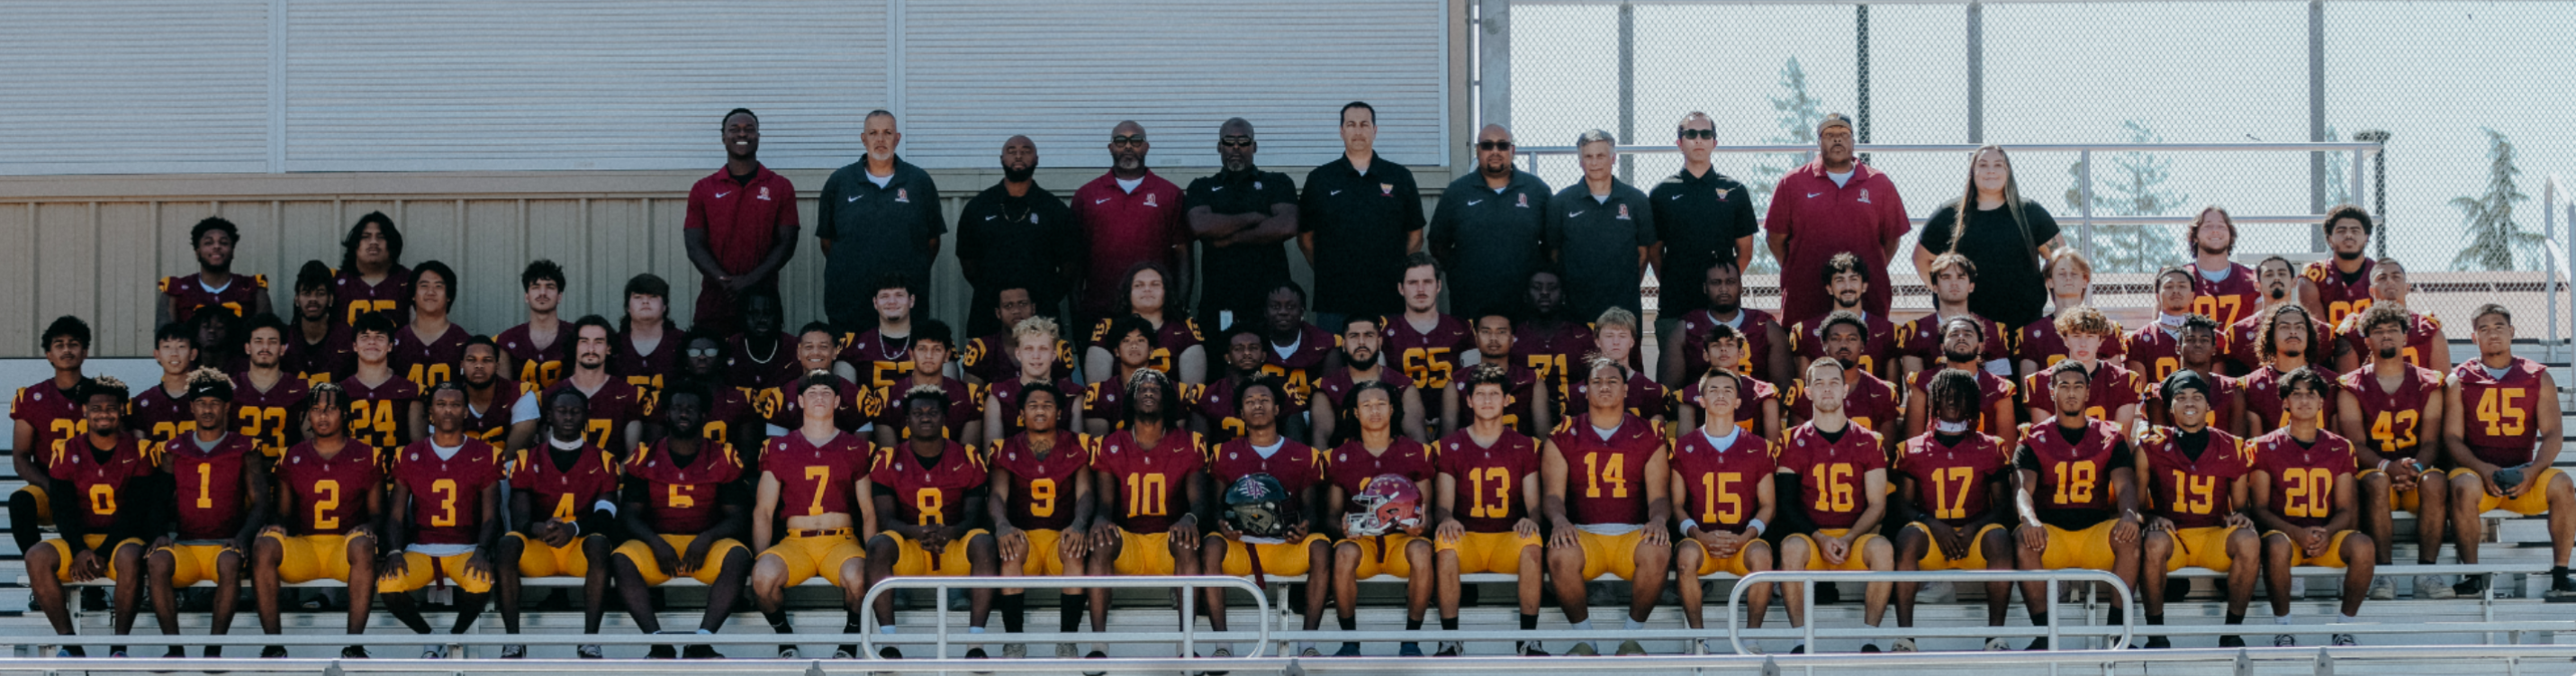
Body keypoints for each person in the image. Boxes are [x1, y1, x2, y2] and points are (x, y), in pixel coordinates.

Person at [2442, 303, 2576, 599]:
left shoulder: (2537, 375)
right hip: (2478, 474)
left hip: (2522, 476)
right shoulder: (2458, 379)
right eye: (2484, 329)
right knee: (2462, 485)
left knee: (2563, 484)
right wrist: (2482, 468)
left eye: (2499, 326)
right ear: (2473, 337)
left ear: (2512, 331)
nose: (2492, 334)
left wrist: (2533, 471)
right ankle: (2473, 576)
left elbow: (2553, 435)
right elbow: (2451, 438)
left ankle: (2561, 574)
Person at [1541, 357, 1672, 656]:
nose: (1604, 387)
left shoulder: (1649, 434)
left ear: (1626, 390)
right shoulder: (1563, 434)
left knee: (1658, 548)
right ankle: (1586, 639)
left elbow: (1659, 496)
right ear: (1584, 390)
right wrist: (1559, 520)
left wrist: (1659, 520)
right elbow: (1552, 495)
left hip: (1632, 534)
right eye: (1596, 381)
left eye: (1612, 381)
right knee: (1560, 552)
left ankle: (1630, 637)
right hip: (1585, 534)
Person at [610, 381, 752, 658]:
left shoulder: (722, 456)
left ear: (703, 415)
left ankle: (701, 640)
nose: (683, 413)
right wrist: (655, 542)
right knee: (621, 559)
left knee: (738, 556)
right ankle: (658, 642)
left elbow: (738, 517)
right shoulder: (646, 455)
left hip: (705, 546)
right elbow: (629, 514)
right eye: (676, 408)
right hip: (659, 545)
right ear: (667, 414)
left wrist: (707, 538)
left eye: (691, 408)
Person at [2011, 360, 2144, 650]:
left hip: (2094, 533)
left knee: (2130, 536)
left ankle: (2115, 632)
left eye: (2078, 386)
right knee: (2023, 538)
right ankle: (2044, 634)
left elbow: (2125, 485)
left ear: (2088, 393)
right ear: (2051, 392)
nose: (2071, 393)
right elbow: (2022, 488)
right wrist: (2029, 518)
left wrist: (2130, 515)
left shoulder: (2110, 435)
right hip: (2052, 534)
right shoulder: (2033, 437)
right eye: (2064, 386)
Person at [24, 377, 159, 656]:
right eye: (96, 407)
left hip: (121, 538)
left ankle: (119, 647)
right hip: (82, 538)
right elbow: (63, 508)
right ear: (84, 410)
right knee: (36, 556)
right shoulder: (66, 450)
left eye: (111, 408)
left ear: (122, 410)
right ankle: (71, 646)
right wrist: (79, 549)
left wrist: (102, 552)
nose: (103, 413)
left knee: (131, 556)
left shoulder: (140, 449)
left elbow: (136, 510)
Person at [1198, 376, 1331, 660]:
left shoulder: (1305, 454)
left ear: (1277, 408)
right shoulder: (1223, 453)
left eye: (1264, 400)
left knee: (1320, 546)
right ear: (1240, 412)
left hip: (1286, 544)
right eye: (1249, 402)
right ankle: (1223, 645)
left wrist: (1304, 526)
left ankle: (1308, 643)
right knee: (1211, 545)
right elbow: (1217, 507)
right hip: (1242, 544)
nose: (1257, 405)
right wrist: (1222, 524)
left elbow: (1310, 508)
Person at [749, 371, 879, 660]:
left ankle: (849, 641)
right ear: (799, 401)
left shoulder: (856, 447)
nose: (818, 398)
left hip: (840, 542)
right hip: (796, 543)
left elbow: (868, 510)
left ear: (836, 401)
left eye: (825, 393)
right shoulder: (779, 448)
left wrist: (873, 553)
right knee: (763, 578)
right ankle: (785, 639)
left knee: (860, 578)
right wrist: (760, 556)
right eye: (812, 393)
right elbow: (764, 511)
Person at [865, 386, 1002, 661]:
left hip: (952, 548)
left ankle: (975, 642)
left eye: (932, 412)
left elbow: (973, 516)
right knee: (879, 544)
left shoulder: (968, 457)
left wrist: (950, 532)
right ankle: (889, 642)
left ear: (945, 418)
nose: (925, 417)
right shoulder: (888, 459)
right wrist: (918, 532)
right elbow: (887, 518)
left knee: (984, 541)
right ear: (906, 420)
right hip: (912, 549)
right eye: (917, 413)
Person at [1080, 368, 1208, 660]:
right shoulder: (1110, 444)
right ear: (1131, 400)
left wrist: (1190, 518)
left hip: (1169, 541)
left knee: (1187, 538)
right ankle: (1098, 645)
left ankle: (1184, 643)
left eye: (1156, 388)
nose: (1149, 392)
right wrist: (1100, 519)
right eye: (1142, 389)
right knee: (1100, 539)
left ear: (1166, 401)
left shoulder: (1189, 443)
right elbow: (1104, 504)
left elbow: (1199, 502)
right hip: (1130, 542)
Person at [1773, 357, 1895, 654]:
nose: (1827, 389)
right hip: (1812, 537)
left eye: (1833, 383)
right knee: (1790, 548)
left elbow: (1877, 504)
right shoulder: (1791, 440)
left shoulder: (1869, 440)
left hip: (1854, 536)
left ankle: (1869, 639)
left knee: (1882, 549)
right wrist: (1821, 538)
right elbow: (1787, 505)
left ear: (1846, 390)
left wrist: (1849, 538)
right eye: (1819, 383)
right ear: (1808, 393)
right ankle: (1800, 640)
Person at [375, 383, 506, 657]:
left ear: (466, 411)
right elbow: (395, 515)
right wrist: (395, 550)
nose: (448, 410)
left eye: (456, 404)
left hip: (465, 547)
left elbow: (491, 515)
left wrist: (482, 551)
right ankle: (430, 638)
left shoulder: (485, 454)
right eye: (442, 404)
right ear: (431, 412)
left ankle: (454, 637)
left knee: (480, 582)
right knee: (388, 583)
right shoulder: (408, 455)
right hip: (421, 547)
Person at [1889, 370, 2016, 652]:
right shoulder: (1911, 448)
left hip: (1975, 537)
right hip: (1932, 538)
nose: (1952, 400)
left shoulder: (1991, 446)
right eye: (1945, 394)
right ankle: (1905, 637)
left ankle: (1996, 636)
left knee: (1999, 538)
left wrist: (1972, 528)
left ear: (1973, 402)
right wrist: (1933, 525)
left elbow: (2003, 505)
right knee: (1907, 538)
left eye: (1960, 395)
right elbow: (1903, 506)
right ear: (1933, 400)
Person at [251, 383, 379, 658]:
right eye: (316, 409)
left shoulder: (367, 455)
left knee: (364, 544)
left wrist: (369, 527)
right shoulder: (292, 456)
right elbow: (284, 514)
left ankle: (354, 646)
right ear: (308, 415)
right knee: (264, 544)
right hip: (305, 548)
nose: (323, 416)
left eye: (331, 409)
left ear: (344, 413)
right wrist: (278, 526)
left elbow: (378, 515)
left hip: (344, 550)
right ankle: (274, 645)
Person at [2336, 302, 2454, 601]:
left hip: (2415, 473)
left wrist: (2416, 468)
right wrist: (2388, 467)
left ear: (2405, 337)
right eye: (2378, 331)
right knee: (2375, 482)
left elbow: (2430, 441)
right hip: (2376, 471)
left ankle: (2426, 573)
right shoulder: (2351, 385)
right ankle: (2383, 573)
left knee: (2436, 481)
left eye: (2393, 330)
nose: (2386, 336)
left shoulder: (2428, 382)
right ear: (2367, 340)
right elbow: (2356, 444)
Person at [2134, 370, 2260, 649]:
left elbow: (2242, 507)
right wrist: (2152, 516)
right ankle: (2156, 634)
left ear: (2209, 406)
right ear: (2170, 407)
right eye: (2180, 397)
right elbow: (2137, 508)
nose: (2189, 402)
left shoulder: (2232, 446)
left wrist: (2240, 515)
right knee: (2152, 541)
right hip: (2173, 538)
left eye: (2197, 397)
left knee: (2248, 539)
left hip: (2213, 534)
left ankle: (2231, 632)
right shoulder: (2150, 446)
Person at [2248, 366, 2373, 647]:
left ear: (2321, 402)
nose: (2304, 400)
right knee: (2278, 546)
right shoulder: (2263, 446)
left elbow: (2345, 508)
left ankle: (2344, 627)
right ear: (2285, 402)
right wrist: (2296, 533)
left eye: (2311, 394)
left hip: (2324, 536)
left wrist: (2327, 532)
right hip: (2285, 536)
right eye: (2296, 394)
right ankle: (2283, 628)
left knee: (2363, 545)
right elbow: (2259, 508)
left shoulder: (2340, 447)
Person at [146, 369, 266, 657]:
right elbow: (159, 499)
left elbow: (261, 501)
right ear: (192, 407)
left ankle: (214, 648)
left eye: (214, 403)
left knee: (229, 563)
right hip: (187, 544)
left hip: (225, 543)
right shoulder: (174, 448)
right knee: (158, 561)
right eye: (201, 403)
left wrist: (243, 537)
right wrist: (160, 533)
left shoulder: (244, 448)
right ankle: (175, 649)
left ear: (226, 406)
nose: (208, 409)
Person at [496, 386, 620, 659]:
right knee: (507, 544)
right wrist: (539, 529)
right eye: (561, 411)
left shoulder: (603, 459)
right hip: (542, 549)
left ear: (586, 418)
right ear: (549, 417)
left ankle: (590, 640)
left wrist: (574, 529)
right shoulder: (527, 458)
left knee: (600, 543)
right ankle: (512, 640)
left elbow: (607, 514)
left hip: (579, 550)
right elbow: (520, 518)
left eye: (575, 412)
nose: (568, 416)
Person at [1668, 367, 1778, 656]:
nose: (1721, 395)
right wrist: (1698, 534)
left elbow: (1768, 504)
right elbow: (1676, 504)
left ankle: (1751, 638)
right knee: (1685, 555)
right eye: (1713, 390)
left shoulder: (1758, 446)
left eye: (1728, 390)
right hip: (1701, 540)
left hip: (1742, 541)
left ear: (1739, 402)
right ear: (1701, 400)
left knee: (1763, 555)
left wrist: (1745, 537)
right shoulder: (1684, 446)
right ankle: (1699, 638)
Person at [1322, 381, 1437, 657]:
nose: (1375, 411)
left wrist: (1421, 526)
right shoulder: (1339, 457)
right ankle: (1350, 642)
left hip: (1401, 542)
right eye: (1367, 405)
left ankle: (1411, 640)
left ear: (1393, 409)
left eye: (1381, 404)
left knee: (1423, 550)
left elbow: (1428, 515)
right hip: (1364, 544)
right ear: (1356, 413)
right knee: (1344, 553)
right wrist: (1343, 528)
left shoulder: (1417, 452)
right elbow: (1330, 517)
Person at [983, 380, 1094, 660]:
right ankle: (1014, 640)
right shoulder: (1006, 448)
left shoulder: (1077, 445)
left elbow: (1085, 494)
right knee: (1010, 549)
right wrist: (1002, 525)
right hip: (1026, 536)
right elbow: (996, 495)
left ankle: (1067, 640)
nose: (1040, 410)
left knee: (1075, 548)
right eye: (1033, 405)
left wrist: (1080, 523)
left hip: (1060, 535)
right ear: (1021, 413)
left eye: (1047, 405)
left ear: (1059, 412)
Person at [1765, 113, 1907, 324]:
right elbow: (1775, 238)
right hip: (1806, 298)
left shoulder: (1879, 183)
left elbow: (1892, 239)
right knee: (1804, 355)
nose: (1837, 139)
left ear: (1853, 141)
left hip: (1865, 300)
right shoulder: (1792, 182)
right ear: (1818, 142)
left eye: (1843, 133)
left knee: (1868, 355)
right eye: (1829, 134)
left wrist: (1866, 270)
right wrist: (1800, 269)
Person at [1301, 102, 1424, 328]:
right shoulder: (1320, 179)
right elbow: (1305, 238)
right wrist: (1328, 269)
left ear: (1375, 130)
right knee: (1335, 363)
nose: (1358, 131)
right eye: (1351, 124)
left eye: (1364, 124)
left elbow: (1415, 234)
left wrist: (1395, 269)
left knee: (1387, 362)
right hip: (1334, 301)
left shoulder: (1399, 176)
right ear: (1341, 131)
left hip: (1388, 300)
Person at [818, 110, 942, 332]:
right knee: (848, 365)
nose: (880, 139)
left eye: (887, 132)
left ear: (898, 138)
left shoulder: (919, 182)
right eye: (873, 133)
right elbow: (827, 243)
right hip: (850, 305)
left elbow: (932, 242)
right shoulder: (840, 182)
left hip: (905, 308)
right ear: (863, 139)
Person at [1912, 145, 2060, 329]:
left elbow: (2058, 259)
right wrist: (1946, 295)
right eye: (1983, 165)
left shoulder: (2031, 212)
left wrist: (2051, 297)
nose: (1991, 170)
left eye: (1998, 165)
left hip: (2023, 323)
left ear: (2008, 172)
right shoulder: (1948, 214)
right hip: (1966, 328)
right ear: (1973, 172)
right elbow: (1921, 259)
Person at [684, 108, 800, 337]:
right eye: (734, 129)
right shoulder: (703, 188)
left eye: (749, 129)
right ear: (723, 137)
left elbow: (787, 243)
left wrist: (749, 281)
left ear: (758, 136)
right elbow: (694, 244)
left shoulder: (780, 186)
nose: (742, 134)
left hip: (763, 300)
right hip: (716, 298)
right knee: (711, 361)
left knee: (762, 366)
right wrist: (723, 280)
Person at [1651, 113, 1761, 355]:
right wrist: (1675, 282)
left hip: (1723, 310)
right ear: (1679, 143)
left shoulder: (1735, 191)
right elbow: (1655, 253)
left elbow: (1745, 252)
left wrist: (1722, 286)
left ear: (1715, 142)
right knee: (1673, 385)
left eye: (1705, 134)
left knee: (1723, 382)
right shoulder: (1661, 193)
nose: (1698, 139)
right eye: (1691, 134)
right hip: (1675, 306)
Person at [1186, 118, 1302, 333]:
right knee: (1220, 363)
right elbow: (1200, 226)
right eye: (1229, 141)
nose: (1236, 147)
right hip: (1219, 299)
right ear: (1219, 146)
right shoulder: (1201, 186)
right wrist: (1254, 217)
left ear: (1254, 147)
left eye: (1244, 141)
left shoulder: (1277, 183)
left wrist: (1230, 238)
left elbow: (1287, 225)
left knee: (1269, 364)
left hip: (1270, 302)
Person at [956, 136, 1080, 338]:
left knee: (1042, 367)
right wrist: (993, 294)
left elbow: (1069, 265)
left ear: (1037, 159)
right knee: (985, 367)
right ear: (1002, 159)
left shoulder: (1054, 209)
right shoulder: (979, 207)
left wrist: (1045, 297)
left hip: (1041, 313)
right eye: (1012, 151)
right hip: (989, 313)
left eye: (1026, 150)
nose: (1019, 155)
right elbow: (967, 261)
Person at [1428, 123, 1551, 321]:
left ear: (1513, 150)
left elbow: (1551, 245)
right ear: (1478, 150)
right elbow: (1437, 243)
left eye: (1502, 145)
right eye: (1487, 145)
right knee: (1471, 354)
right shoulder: (1457, 192)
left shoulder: (1537, 191)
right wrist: (1460, 273)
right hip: (1470, 305)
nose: (1495, 151)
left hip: (1526, 307)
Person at [1073, 121, 1189, 329]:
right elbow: (1075, 259)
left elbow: (1182, 254)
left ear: (1146, 147)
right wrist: (1076, 308)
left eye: (1136, 141)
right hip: (1100, 310)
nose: (1128, 146)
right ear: (1111, 148)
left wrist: (1178, 304)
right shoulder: (1087, 195)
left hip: (1155, 312)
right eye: (1120, 140)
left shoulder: (1169, 194)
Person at [1546, 129, 1657, 321]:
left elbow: (1643, 255)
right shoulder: (1561, 202)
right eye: (1588, 156)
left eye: (1601, 156)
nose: (1595, 162)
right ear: (1581, 161)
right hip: (1575, 313)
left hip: (1624, 312)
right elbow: (1554, 253)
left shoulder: (1636, 200)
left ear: (1613, 158)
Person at [520, 316, 650, 453]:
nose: (591, 349)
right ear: (574, 346)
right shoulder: (549, 396)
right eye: (584, 341)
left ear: (609, 348)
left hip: (613, 473)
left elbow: (632, 457)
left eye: (598, 342)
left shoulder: (629, 394)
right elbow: (546, 455)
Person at [2018, 306, 2142, 442]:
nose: (2083, 344)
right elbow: (2046, 442)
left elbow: (2120, 441)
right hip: (2058, 458)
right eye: (2076, 336)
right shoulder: (2041, 382)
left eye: (2090, 336)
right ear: (2065, 339)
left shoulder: (2123, 380)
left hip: (2109, 458)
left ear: (2100, 340)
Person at [1665, 260, 1790, 389]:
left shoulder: (1767, 327)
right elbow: (1670, 388)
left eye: (1730, 282)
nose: (1723, 289)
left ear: (1741, 286)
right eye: (1716, 283)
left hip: (1755, 406)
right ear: (1705, 288)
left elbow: (1783, 385)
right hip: (1701, 406)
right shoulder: (1685, 329)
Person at [1901, 316, 2020, 449]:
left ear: (1981, 346)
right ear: (1942, 346)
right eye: (1954, 334)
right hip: (1934, 463)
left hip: (1985, 464)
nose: (1961, 337)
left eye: (1968, 334)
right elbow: (1913, 444)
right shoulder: (1921, 383)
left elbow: (2007, 450)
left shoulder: (2001, 388)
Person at [1311, 315, 1428, 446]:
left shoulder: (1403, 386)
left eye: (1369, 335)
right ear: (1343, 344)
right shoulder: (1326, 388)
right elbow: (1321, 441)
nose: (1361, 342)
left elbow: (1417, 438)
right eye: (1354, 336)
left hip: (1394, 462)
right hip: (1344, 464)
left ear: (1379, 343)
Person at [1785, 311, 1901, 442]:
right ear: (1824, 345)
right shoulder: (1804, 393)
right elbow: (1797, 448)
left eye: (1851, 339)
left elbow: (1886, 453)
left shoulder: (1883, 392)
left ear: (1863, 344)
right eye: (1835, 339)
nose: (1844, 345)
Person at [1084, 262, 1207, 384]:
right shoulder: (1108, 327)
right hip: (1120, 402)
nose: (1147, 289)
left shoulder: (1183, 329)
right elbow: (1098, 392)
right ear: (1128, 292)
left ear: (1166, 291)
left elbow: (1193, 394)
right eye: (1138, 285)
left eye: (1155, 284)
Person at [1895, 254, 2011, 383]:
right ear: (1935, 286)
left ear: (1971, 286)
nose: (1954, 283)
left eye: (1961, 277)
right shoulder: (1915, 330)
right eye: (1946, 277)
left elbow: (1998, 388)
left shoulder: (1993, 330)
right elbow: (1915, 386)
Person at [2015, 249, 2126, 376]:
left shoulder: (2106, 328)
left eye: (2074, 274)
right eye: (2062, 274)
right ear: (2050, 282)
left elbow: (2115, 383)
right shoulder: (2032, 332)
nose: (2068, 278)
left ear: (2085, 281)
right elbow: (2029, 392)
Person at [871, 320, 981, 448]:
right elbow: (888, 459)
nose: (929, 356)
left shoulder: (970, 395)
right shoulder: (886, 397)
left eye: (937, 349)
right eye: (922, 349)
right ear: (911, 354)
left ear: (947, 355)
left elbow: (968, 458)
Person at [1442, 311, 1551, 438]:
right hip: (1470, 456)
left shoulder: (1532, 381)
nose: (1493, 338)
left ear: (1512, 339)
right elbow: (1447, 442)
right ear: (1476, 339)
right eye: (1486, 331)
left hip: (1522, 455)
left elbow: (1544, 437)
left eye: (1501, 332)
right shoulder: (1456, 381)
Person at [1789, 253, 1896, 380]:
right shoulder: (1805, 331)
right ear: (1829, 288)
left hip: (1870, 400)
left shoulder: (1887, 331)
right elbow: (1804, 390)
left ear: (1864, 286)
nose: (1847, 286)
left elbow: (1893, 394)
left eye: (1853, 279)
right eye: (1840, 280)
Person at [2332, 258, 2449, 375]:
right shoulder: (2354, 327)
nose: (2390, 281)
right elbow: (2348, 383)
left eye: (2396, 277)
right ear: (2371, 291)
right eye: (2382, 278)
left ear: (2407, 287)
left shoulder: (2426, 327)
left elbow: (2442, 381)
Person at [986, 317, 1090, 440]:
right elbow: (992, 454)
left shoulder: (1073, 395)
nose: (1036, 356)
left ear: (1054, 355)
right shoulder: (997, 396)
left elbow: (1078, 451)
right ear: (1018, 354)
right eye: (1029, 349)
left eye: (1043, 349)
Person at [2142, 315, 2246, 435]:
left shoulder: (2233, 390)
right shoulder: (2158, 393)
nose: (2197, 344)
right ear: (2178, 348)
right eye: (2190, 339)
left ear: (2214, 349)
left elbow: (2236, 444)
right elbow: (2161, 447)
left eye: (2204, 340)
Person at [1384, 252, 1472, 395]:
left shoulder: (1463, 328)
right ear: (1401, 288)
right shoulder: (1384, 330)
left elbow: (1473, 384)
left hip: (1454, 412)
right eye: (1412, 283)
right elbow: (1379, 388)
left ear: (1438, 286)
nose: (1420, 289)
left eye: (1427, 282)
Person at [1674, 323, 1779, 440]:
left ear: (1741, 353)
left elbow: (1773, 449)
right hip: (1705, 457)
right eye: (1715, 345)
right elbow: (1685, 448)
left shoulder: (1763, 392)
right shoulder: (1690, 393)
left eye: (1730, 344)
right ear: (1706, 355)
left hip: (1753, 456)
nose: (1723, 349)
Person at [1566, 308, 1668, 428]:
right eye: (1609, 336)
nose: (1616, 342)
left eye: (1622, 336)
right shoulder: (1575, 393)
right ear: (1597, 341)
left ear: (1632, 341)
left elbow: (1654, 440)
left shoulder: (1652, 391)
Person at [160, 216, 272, 326]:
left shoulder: (253, 288)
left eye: (223, 242)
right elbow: (164, 338)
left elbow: (266, 337)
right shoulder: (175, 289)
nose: (217, 246)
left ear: (232, 251)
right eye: (208, 243)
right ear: (197, 252)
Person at [2238, 303, 2331, 436]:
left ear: (2308, 335)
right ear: (2271, 336)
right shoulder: (2249, 385)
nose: (2293, 332)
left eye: (2300, 327)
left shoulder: (2332, 382)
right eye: (2284, 327)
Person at [2224, 256, 2323, 375]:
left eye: (2282, 274)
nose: (2276, 278)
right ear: (2257, 285)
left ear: (2294, 281)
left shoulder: (2320, 329)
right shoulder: (2237, 332)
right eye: (2269, 275)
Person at [962, 286, 1077, 386]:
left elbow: (1067, 399)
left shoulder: (1056, 346)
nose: (1016, 311)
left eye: (1023, 304)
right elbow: (971, 401)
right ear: (998, 313)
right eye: (1008, 305)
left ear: (1033, 308)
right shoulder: (982, 348)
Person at [232, 313, 312, 457]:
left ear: (282, 349)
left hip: (287, 471)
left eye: (272, 341)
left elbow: (313, 440)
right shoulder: (229, 387)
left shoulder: (300, 388)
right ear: (247, 348)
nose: (265, 347)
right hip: (240, 472)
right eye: (258, 341)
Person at [342, 311, 424, 450]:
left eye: (380, 337)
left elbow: (419, 447)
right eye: (365, 336)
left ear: (390, 345)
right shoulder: (337, 392)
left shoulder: (411, 392)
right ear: (354, 345)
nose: (372, 342)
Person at [1515, 268, 1594, 409]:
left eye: (1552, 288)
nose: (1545, 293)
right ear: (1526, 296)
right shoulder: (1512, 337)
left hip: (1574, 418)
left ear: (1563, 296)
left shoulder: (1583, 337)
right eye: (1537, 288)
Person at [671, 329, 758, 451]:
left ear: (721, 358)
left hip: (727, 468)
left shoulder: (740, 399)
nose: (702, 357)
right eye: (694, 352)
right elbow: (658, 450)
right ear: (685, 358)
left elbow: (748, 452)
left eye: (710, 352)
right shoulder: (671, 397)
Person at [390, 260, 468, 389]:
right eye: (424, 286)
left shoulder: (464, 342)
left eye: (438, 286)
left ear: (449, 295)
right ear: (413, 294)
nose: (430, 292)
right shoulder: (395, 342)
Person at [2300, 205, 2379, 329]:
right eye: (2341, 231)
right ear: (2329, 238)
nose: (2348, 235)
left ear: (2366, 237)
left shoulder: (2379, 273)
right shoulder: (2315, 275)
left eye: (2355, 230)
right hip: (2329, 346)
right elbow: (2319, 333)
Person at [1259, 281, 1338, 403]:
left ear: (1302, 312)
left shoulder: (1324, 343)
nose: (1283, 312)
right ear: (1265, 312)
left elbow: (1331, 395)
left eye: (1291, 307)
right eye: (1275, 307)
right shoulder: (1251, 340)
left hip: (1307, 415)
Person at [2185, 206, 2264, 329]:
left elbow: (2261, 334)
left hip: (2240, 348)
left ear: (2230, 234)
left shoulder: (2252, 280)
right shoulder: (2178, 278)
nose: (2215, 231)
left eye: (2221, 226)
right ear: (2195, 236)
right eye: (2208, 226)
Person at [1082, 316, 1162, 437]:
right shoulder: (1099, 393)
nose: (1134, 345)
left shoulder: (1171, 390)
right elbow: (1099, 445)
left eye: (1140, 340)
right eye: (1126, 340)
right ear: (1116, 351)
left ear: (1151, 350)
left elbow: (1173, 444)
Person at [497, 259, 569, 390]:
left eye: (550, 287)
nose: (542, 293)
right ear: (526, 296)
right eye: (535, 287)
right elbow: (503, 394)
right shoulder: (508, 339)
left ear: (559, 296)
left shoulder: (576, 335)